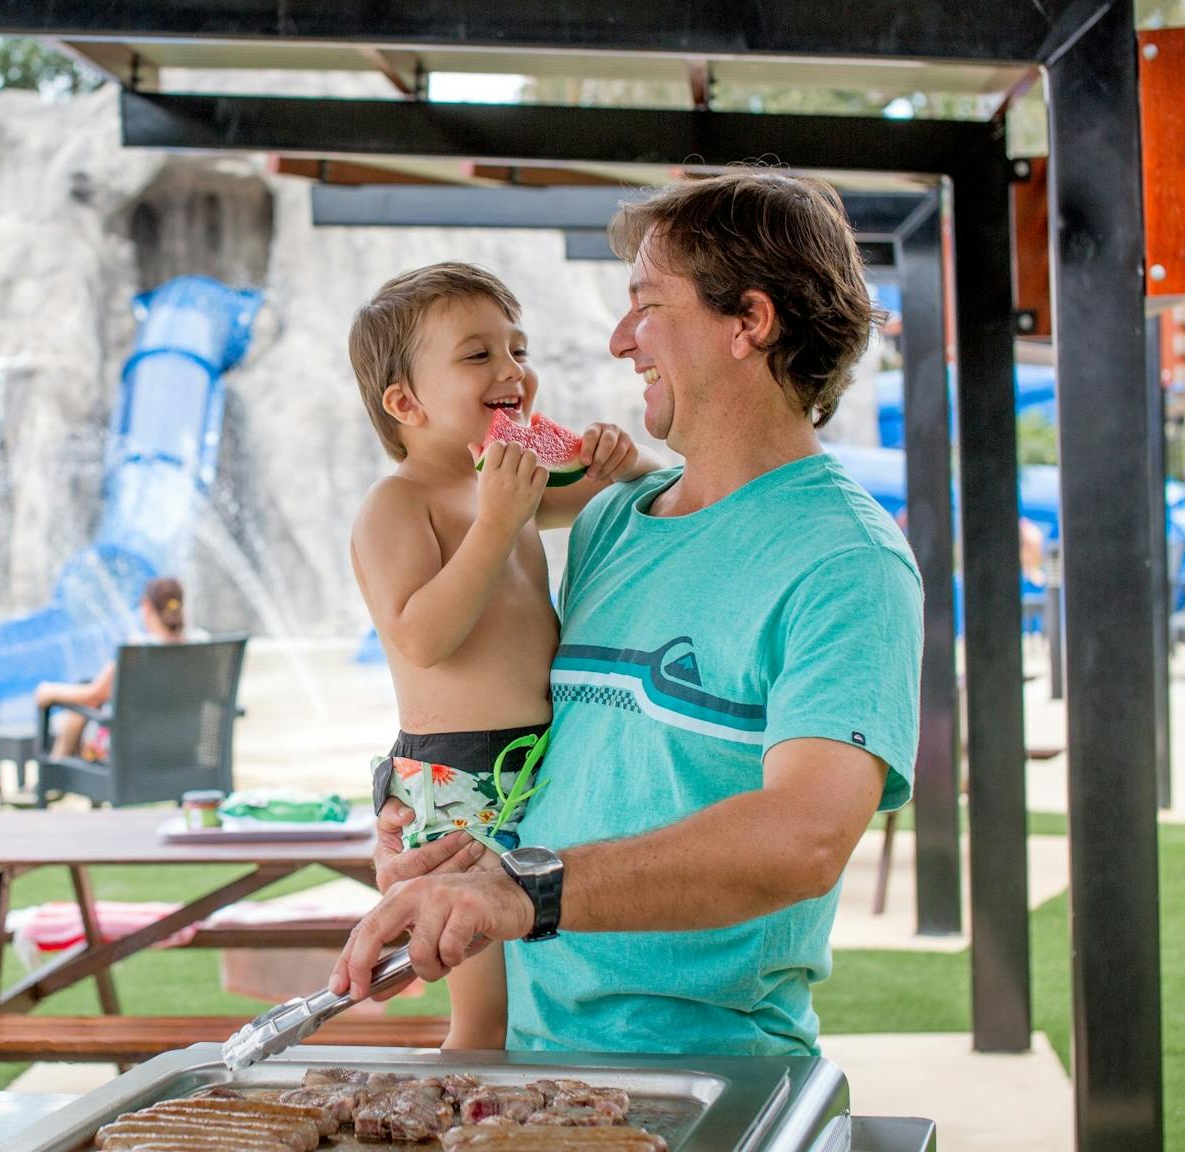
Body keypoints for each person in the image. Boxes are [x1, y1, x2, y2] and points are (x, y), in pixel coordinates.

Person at [334, 171, 925, 1059]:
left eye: (644, 305)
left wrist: (526, 887)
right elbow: (555, 745)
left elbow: (803, 837)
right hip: (529, 1060)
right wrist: (436, 829)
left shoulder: (846, 561)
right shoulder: (612, 520)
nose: (617, 341)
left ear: (749, 322)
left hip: (701, 1068)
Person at [344, 261, 658, 1049]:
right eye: (478, 354)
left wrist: (626, 465)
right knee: (483, 1020)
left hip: (543, 765)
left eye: (518, 349)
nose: (513, 369)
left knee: (545, 995)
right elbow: (421, 634)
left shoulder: (507, 485)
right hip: (456, 780)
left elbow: (636, 498)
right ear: (406, 403)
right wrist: (495, 522)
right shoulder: (398, 504)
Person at [35, 577, 202, 760]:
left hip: (133, 756)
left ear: (146, 605)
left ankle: (54, 772)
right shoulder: (201, 644)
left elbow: (95, 694)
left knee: (82, 702)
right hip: (185, 752)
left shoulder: (138, 648)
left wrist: (50, 692)